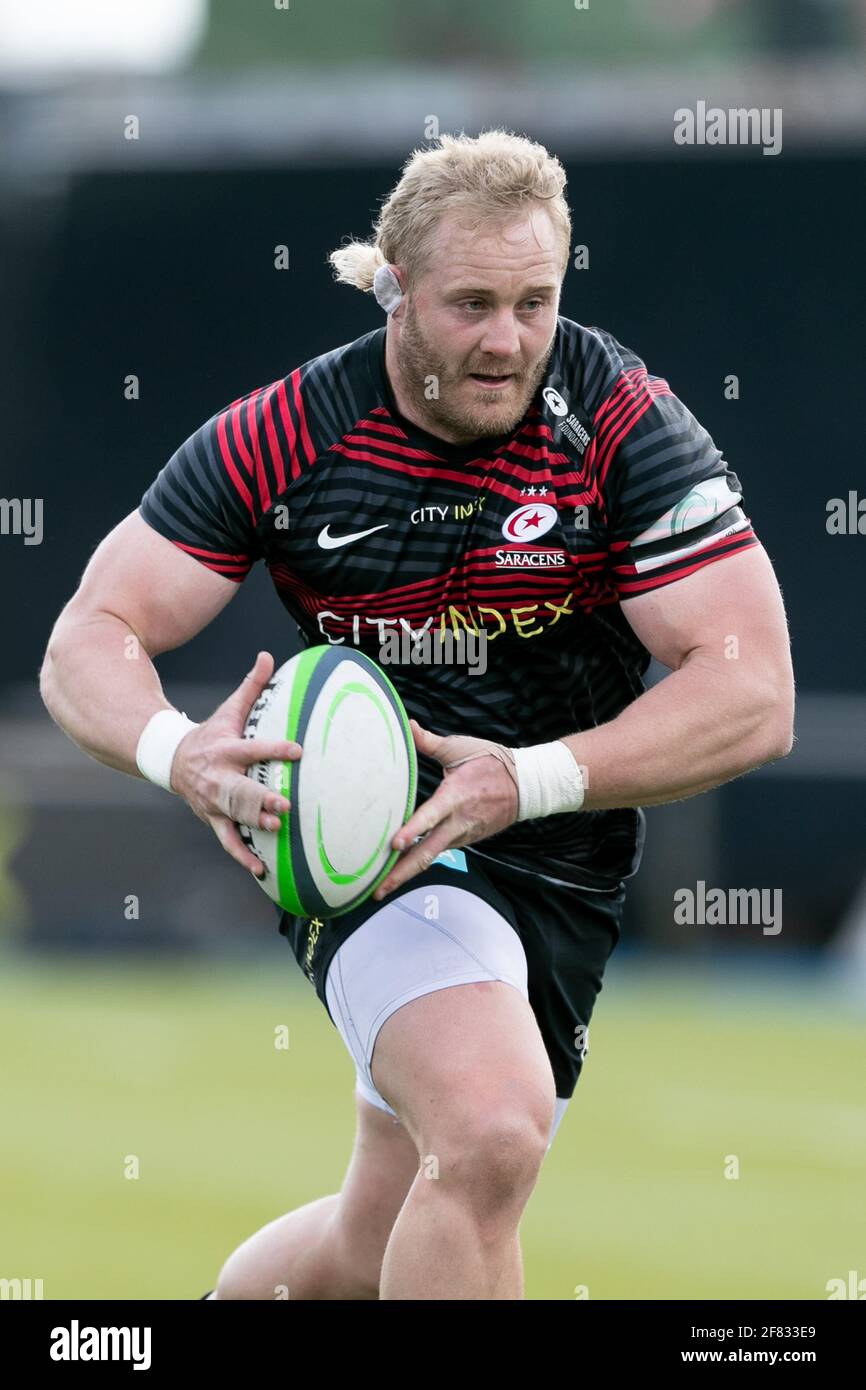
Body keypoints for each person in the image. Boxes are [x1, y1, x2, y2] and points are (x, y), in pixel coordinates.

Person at [39, 129, 794, 1300]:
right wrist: (173, 749)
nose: (505, 340)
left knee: (371, 1232)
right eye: (470, 303)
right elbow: (91, 635)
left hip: (565, 851)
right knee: (490, 1136)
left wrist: (526, 777)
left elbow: (752, 691)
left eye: (533, 301)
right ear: (393, 286)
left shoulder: (617, 420)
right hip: (370, 850)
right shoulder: (289, 432)